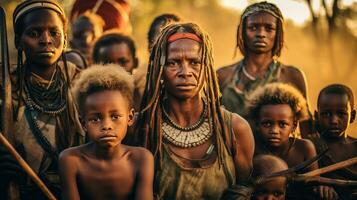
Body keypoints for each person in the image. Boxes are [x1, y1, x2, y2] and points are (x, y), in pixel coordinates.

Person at [134, 22, 254, 200]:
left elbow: (246, 190)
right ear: (159, 70)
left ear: (207, 67)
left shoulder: (234, 128)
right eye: (173, 63)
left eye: (195, 62)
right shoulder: (141, 128)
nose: (185, 72)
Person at [0, 0, 84, 199]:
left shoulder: (85, 86)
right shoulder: (6, 90)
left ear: (64, 41)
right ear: (18, 41)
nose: (45, 40)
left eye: (54, 33)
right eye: (34, 33)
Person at [217, 1, 313, 137]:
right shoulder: (223, 75)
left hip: (280, 155)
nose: (261, 34)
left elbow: (306, 128)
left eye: (269, 28)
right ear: (242, 31)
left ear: (278, 32)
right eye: (253, 27)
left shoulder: (291, 75)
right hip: (231, 154)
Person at [59, 64, 154, 200]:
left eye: (115, 117)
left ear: (130, 117)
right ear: (83, 122)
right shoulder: (71, 161)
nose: (106, 126)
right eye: (95, 119)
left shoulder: (141, 159)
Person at [248, 83, 338, 200]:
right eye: (267, 123)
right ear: (257, 123)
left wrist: (324, 189)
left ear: (294, 125)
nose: (274, 130)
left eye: (282, 124)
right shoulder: (253, 148)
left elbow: (314, 186)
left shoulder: (304, 148)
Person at [310, 84, 357, 199]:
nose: (334, 121)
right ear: (316, 116)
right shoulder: (311, 146)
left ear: (352, 116)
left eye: (341, 114)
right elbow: (306, 183)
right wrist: (321, 187)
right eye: (326, 114)